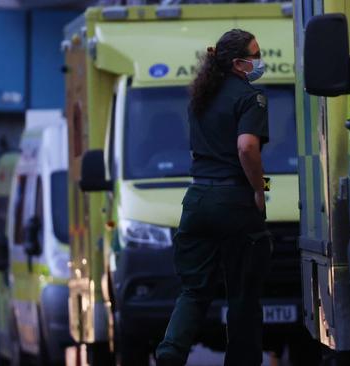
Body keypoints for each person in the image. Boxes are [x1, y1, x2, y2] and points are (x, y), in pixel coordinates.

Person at [154, 29, 271, 366]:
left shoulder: (201, 97)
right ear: (237, 63)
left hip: (197, 199)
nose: (259, 61)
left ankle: (170, 353)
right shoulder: (252, 97)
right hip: (234, 201)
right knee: (243, 296)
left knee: (193, 291)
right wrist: (260, 190)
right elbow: (247, 147)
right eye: (255, 54)